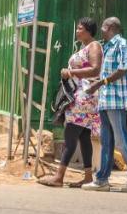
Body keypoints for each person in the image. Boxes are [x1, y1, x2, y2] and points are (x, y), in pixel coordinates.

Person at [82, 17, 127, 192]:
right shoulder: (107, 47)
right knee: (106, 140)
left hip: (116, 100)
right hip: (105, 100)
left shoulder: (122, 44)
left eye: (103, 27)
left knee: (121, 139)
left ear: (109, 27)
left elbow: (124, 68)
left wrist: (100, 83)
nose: (101, 30)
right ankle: (102, 179)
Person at [39, 18, 103, 188]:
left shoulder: (94, 46)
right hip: (83, 95)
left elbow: (96, 69)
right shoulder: (85, 47)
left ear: (88, 31)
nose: (77, 31)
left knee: (70, 135)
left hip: (85, 97)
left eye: (80, 28)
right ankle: (88, 176)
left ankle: (59, 177)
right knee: (83, 137)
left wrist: (71, 72)